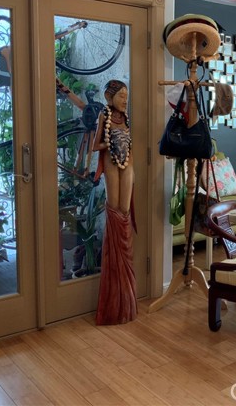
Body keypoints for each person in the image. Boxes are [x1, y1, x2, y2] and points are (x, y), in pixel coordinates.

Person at [92, 79, 137, 325]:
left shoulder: (126, 117)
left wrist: (127, 150)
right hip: (111, 162)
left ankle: (126, 285)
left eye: (126, 96)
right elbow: (94, 146)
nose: (125, 100)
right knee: (115, 211)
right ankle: (115, 280)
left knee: (125, 213)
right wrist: (110, 143)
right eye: (121, 95)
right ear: (110, 97)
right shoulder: (105, 115)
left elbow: (130, 143)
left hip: (127, 164)